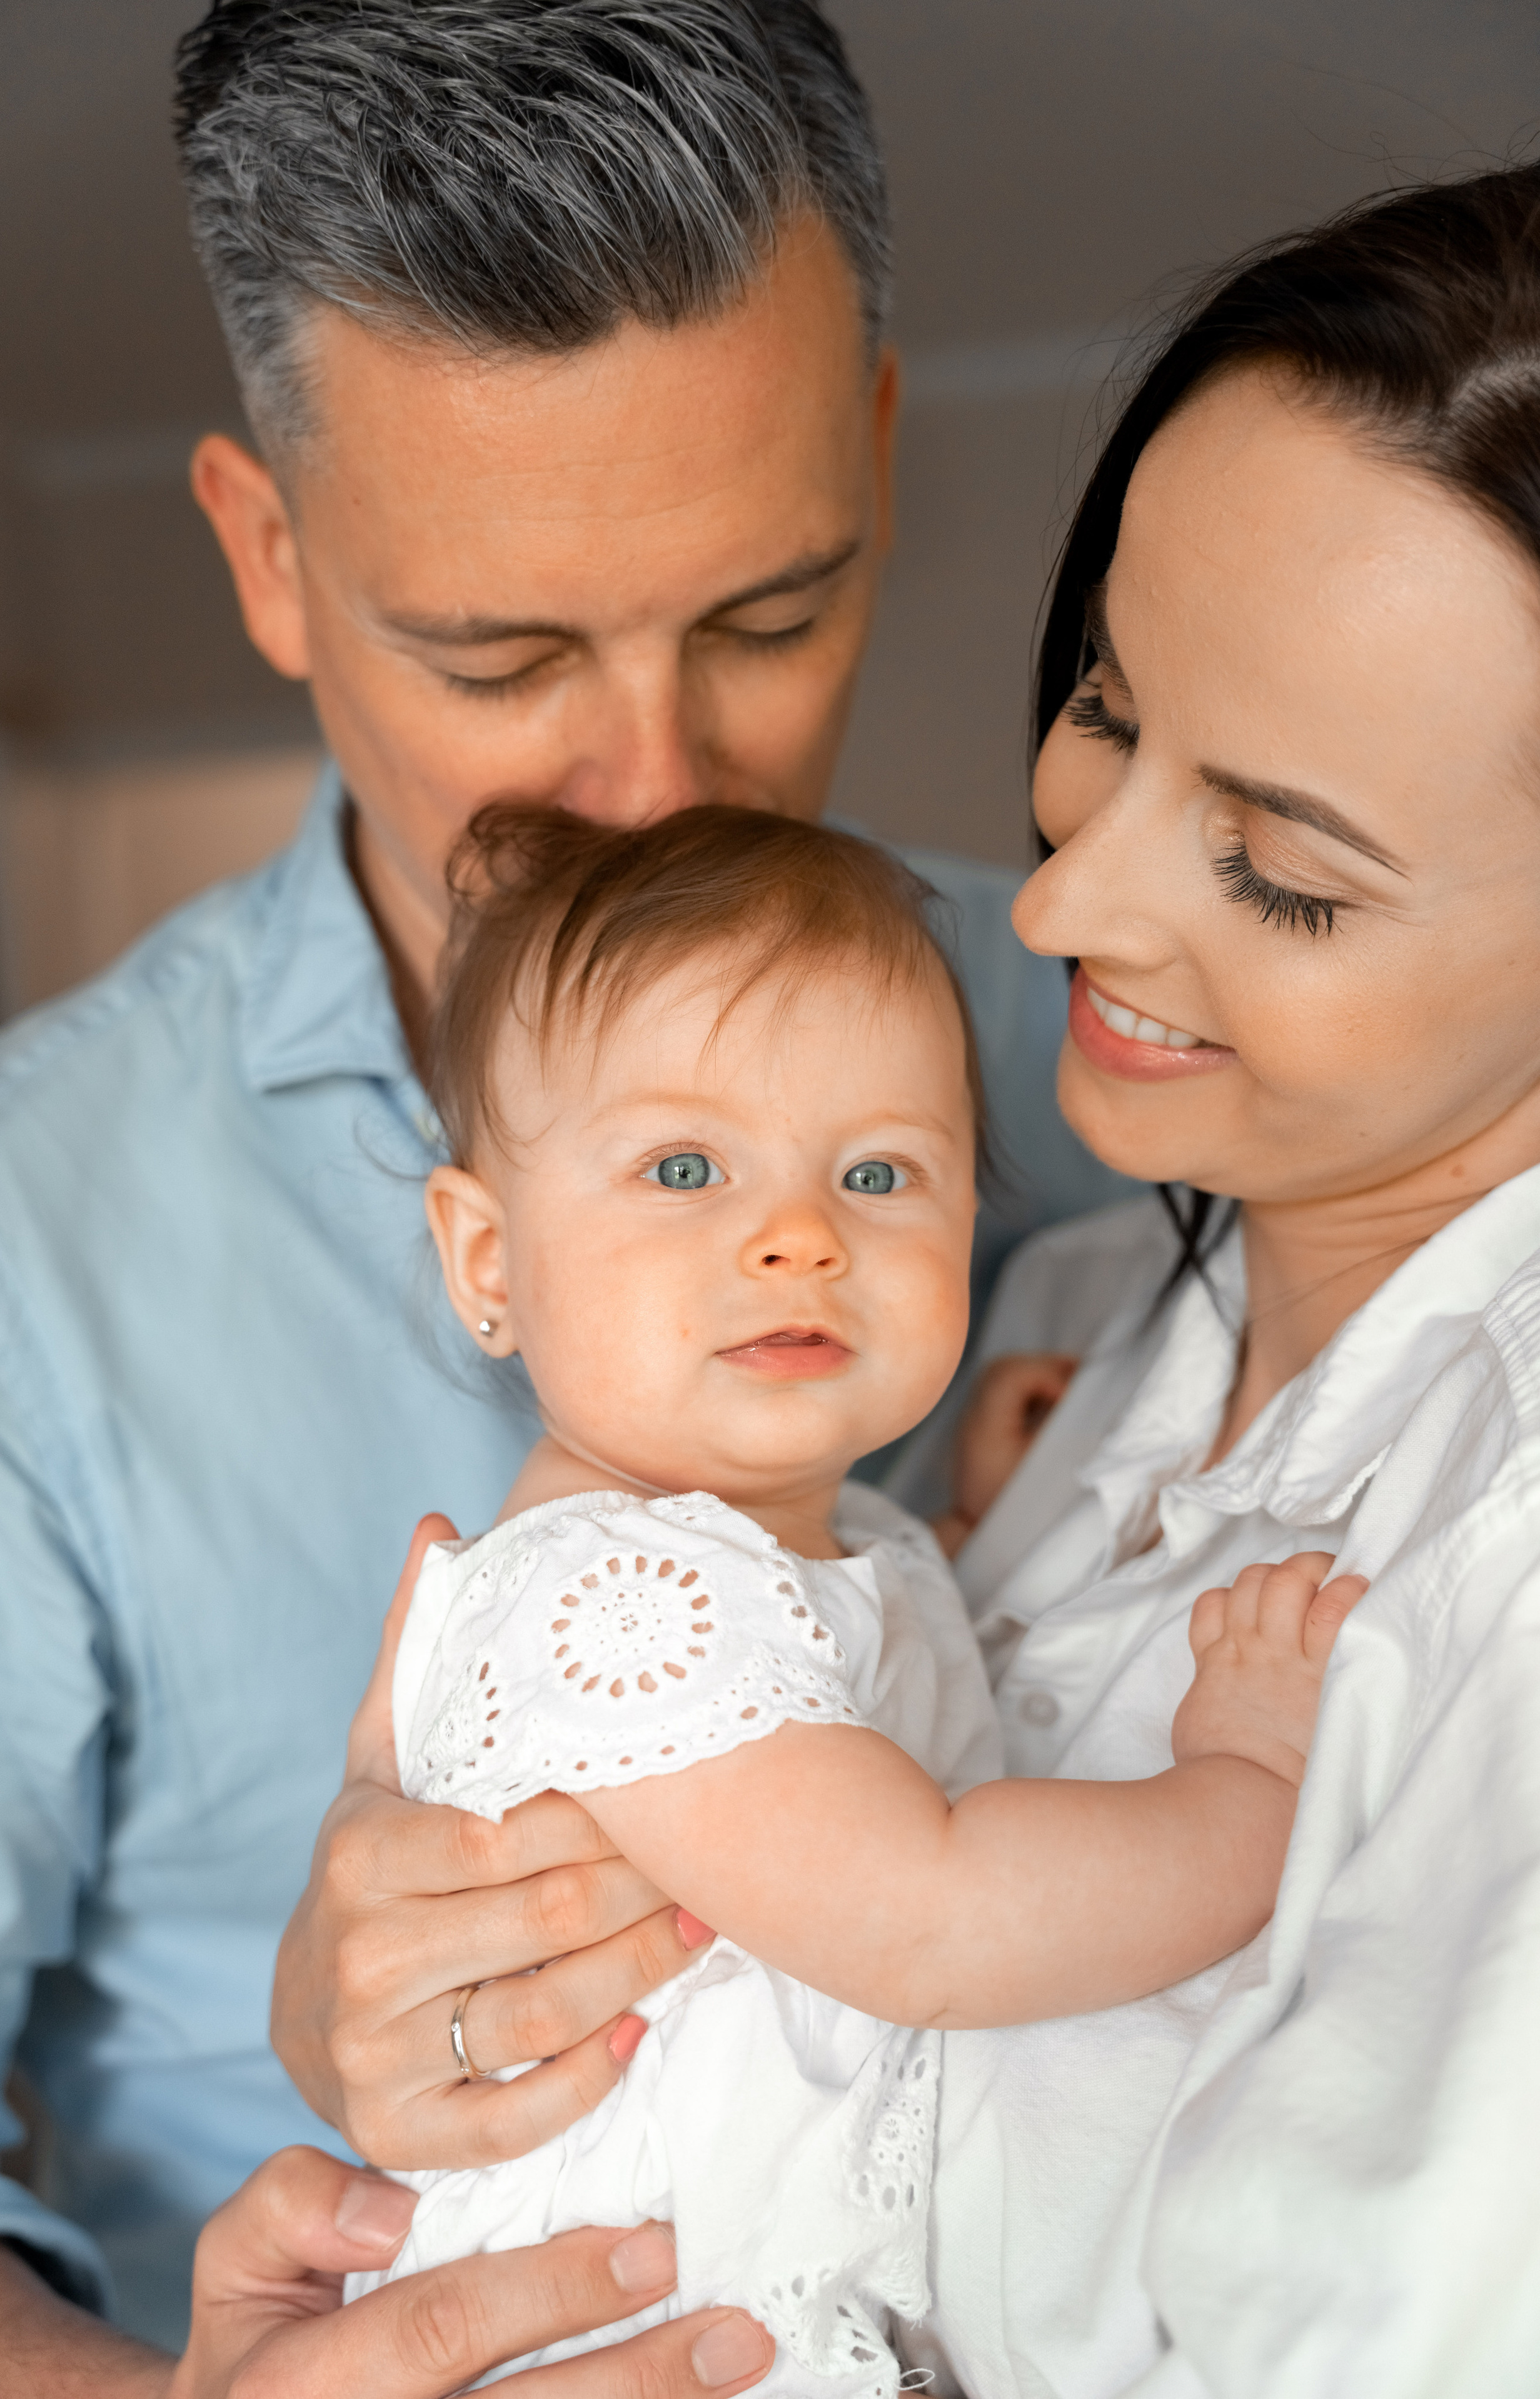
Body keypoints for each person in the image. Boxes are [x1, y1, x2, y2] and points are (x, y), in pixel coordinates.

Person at [0, 4, 1129, 2391]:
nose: (658, 780)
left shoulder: (1120, 1053)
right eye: (501, 655)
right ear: (271, 562)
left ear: (881, 461)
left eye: (771, 617)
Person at [282, 158, 1540, 2395]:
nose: (1052, 908)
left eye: (1277, 867)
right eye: (1108, 706)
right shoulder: (1050, 1330)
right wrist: (392, 1979)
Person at [340, 796, 1359, 2393]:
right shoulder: (618, 1603)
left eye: (879, 1172)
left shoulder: (820, 1544)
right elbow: (929, 1915)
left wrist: (969, 1532)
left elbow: (837, 1710)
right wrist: (1250, 1787)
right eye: (685, 1165)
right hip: (638, 2334)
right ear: (486, 1262)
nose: (798, 1237)